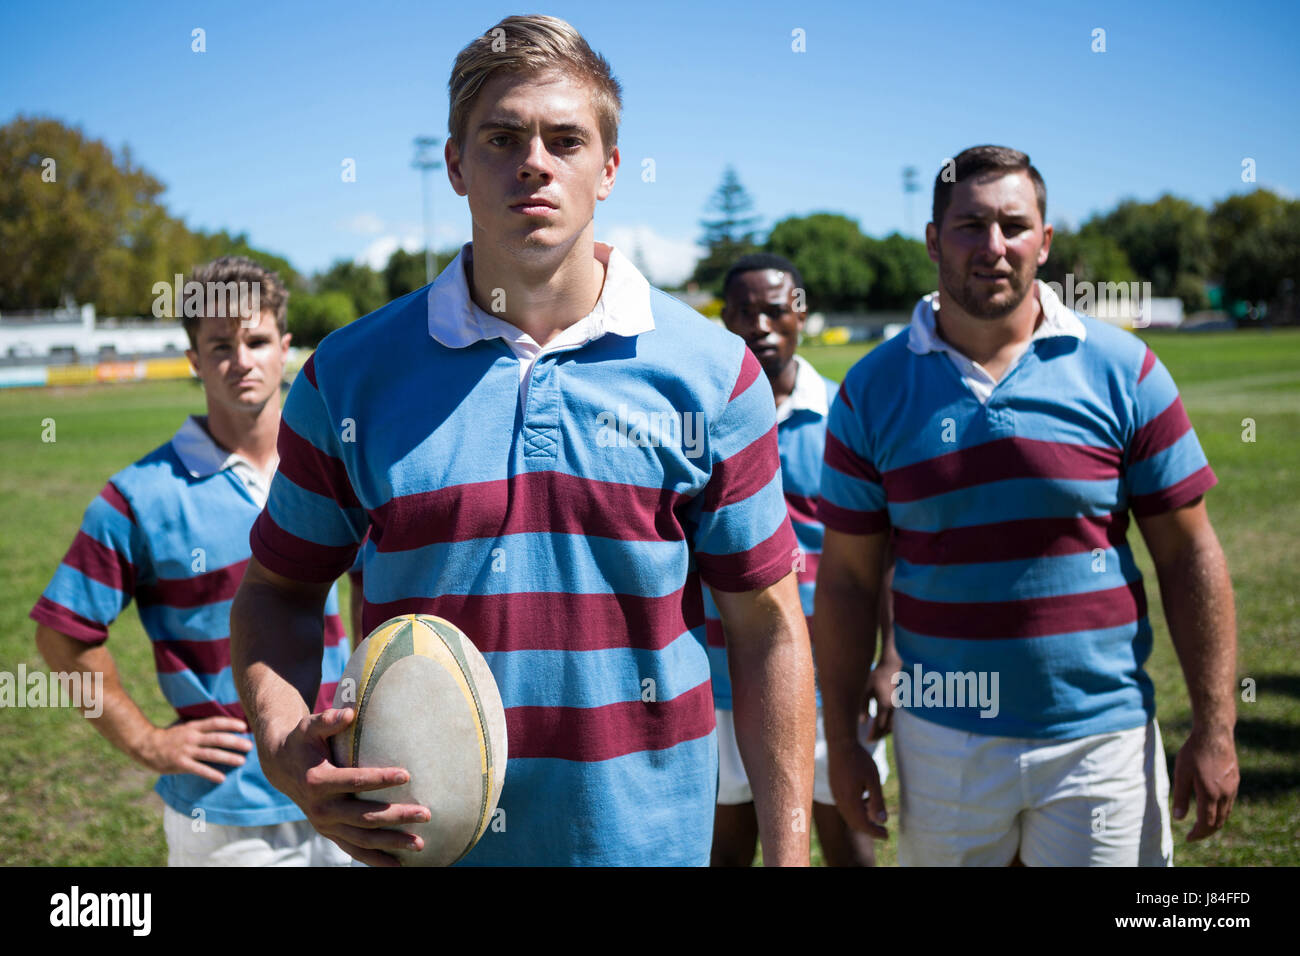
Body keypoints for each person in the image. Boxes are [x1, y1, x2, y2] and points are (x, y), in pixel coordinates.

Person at [229, 15, 815, 867]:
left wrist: (791, 854)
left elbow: (767, 629)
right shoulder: (347, 376)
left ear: (609, 168)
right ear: (457, 164)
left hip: (650, 847)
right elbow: (277, 592)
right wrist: (285, 747)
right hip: (424, 847)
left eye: (565, 139)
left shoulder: (712, 374)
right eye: (502, 137)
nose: (534, 161)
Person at [815, 145, 1239, 866]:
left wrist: (1217, 725)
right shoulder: (870, 389)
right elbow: (849, 581)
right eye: (969, 224)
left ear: (1044, 242)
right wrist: (845, 739)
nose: (993, 246)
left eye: (1014, 225)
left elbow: (1189, 551)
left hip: (1099, 736)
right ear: (932, 239)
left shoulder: (1125, 369)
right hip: (941, 739)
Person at [31, 256, 353, 866]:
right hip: (226, 810)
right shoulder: (137, 496)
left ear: (284, 348)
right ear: (193, 361)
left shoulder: (331, 467)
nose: (242, 360)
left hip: (343, 779)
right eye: (219, 345)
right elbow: (61, 636)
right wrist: (148, 741)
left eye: (257, 340)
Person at [710, 253, 893, 867]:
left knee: (848, 841)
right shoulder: (700, 421)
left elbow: (885, 552)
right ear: (724, 318)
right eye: (743, 311)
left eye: (774, 309)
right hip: (721, 679)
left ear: (801, 314)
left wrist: (889, 656)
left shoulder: (847, 415)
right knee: (726, 846)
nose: (759, 324)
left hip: (830, 676)